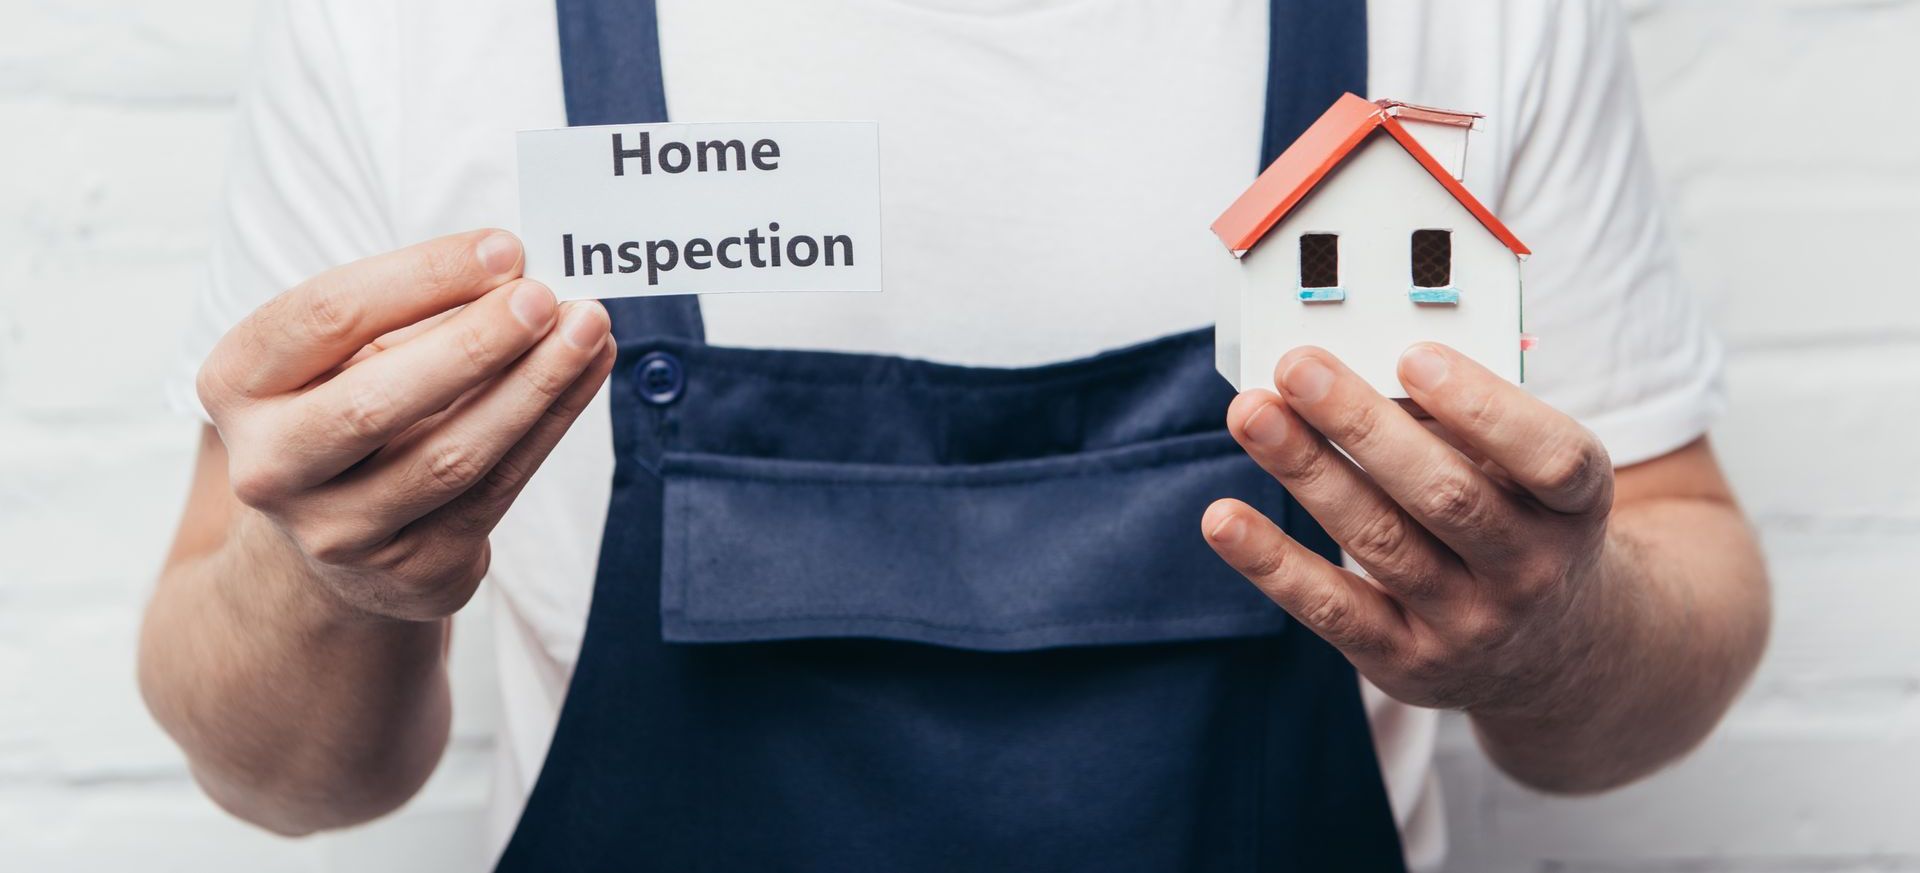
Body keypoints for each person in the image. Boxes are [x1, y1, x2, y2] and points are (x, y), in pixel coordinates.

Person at [138, 1, 1770, 870]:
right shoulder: (399, 23)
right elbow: (287, 777)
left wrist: (1553, 633)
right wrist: (331, 580)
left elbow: (1663, 632)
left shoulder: (1480, 14)